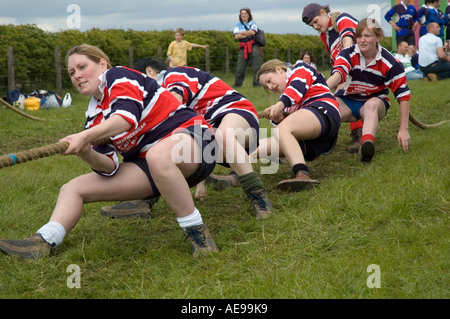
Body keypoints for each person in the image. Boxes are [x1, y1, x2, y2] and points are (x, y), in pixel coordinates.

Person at [0, 44, 219, 259]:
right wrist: (84, 151)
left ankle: (197, 233)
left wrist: (85, 136)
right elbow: (109, 167)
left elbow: (125, 118)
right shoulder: (94, 116)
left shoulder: (119, 76)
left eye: (82, 67)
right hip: (154, 166)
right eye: (71, 72)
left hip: (196, 142)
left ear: (102, 64)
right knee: (72, 188)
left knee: (157, 155)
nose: (76, 75)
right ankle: (43, 241)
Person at [103, 58, 273, 220]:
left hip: (235, 114)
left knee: (223, 136)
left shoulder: (173, 75)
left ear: (150, 72)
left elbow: (174, 104)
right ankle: (144, 200)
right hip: (206, 132)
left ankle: (257, 195)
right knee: (162, 154)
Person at [326, 18, 411, 163]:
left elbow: (403, 95)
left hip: (375, 103)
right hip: (348, 100)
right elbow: (338, 74)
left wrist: (403, 129)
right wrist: (321, 90)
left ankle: (366, 146)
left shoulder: (390, 62)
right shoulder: (347, 54)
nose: (362, 40)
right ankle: (307, 144)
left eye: (367, 36)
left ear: (378, 37)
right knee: (325, 110)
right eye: (358, 36)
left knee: (371, 105)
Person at [253, 59, 341, 191]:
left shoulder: (300, 69)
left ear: (279, 69)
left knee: (281, 130)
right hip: (311, 141)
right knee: (252, 148)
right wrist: (279, 118)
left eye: (269, 81)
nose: (270, 87)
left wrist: (280, 105)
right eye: (266, 86)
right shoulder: (287, 99)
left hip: (324, 112)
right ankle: (237, 175)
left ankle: (302, 174)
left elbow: (297, 87)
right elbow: (289, 133)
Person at [302, 3, 363, 154]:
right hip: (347, 72)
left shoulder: (341, 19)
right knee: (332, 100)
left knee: (344, 94)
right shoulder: (325, 36)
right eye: (312, 25)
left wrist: (341, 79)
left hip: (365, 67)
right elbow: (335, 60)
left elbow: (348, 46)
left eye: (316, 21)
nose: (315, 26)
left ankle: (360, 135)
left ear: (323, 13)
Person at [232, 7, 263, 88]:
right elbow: (236, 36)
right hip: (243, 48)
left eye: (245, 13)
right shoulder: (237, 25)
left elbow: (253, 32)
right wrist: (247, 33)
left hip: (254, 47)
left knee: (256, 67)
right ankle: (237, 84)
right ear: (240, 15)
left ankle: (257, 84)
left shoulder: (253, 23)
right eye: (242, 14)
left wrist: (242, 33)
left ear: (249, 15)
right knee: (240, 68)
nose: (244, 15)